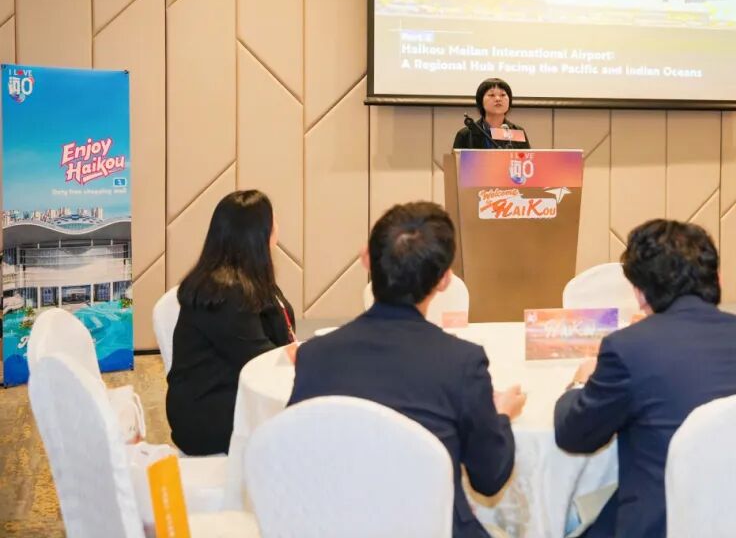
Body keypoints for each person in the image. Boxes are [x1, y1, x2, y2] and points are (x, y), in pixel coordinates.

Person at [553, 219, 736, 538]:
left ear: (640, 293)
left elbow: (574, 435)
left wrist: (579, 383)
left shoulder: (628, 348)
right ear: (719, 279)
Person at [288, 202, 524, 538]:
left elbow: (297, 463)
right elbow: (489, 478)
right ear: (444, 280)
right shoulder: (461, 363)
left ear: (367, 260)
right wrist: (501, 416)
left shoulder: (314, 356)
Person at [166, 190, 296, 456]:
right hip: (206, 415)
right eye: (272, 221)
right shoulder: (225, 292)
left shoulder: (249, 278)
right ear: (258, 235)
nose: (277, 226)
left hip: (230, 394)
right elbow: (261, 358)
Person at [453, 77, 531, 149]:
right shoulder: (466, 135)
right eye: (491, 95)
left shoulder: (518, 133)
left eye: (503, 95)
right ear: (480, 101)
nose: (498, 99)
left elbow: (527, 158)